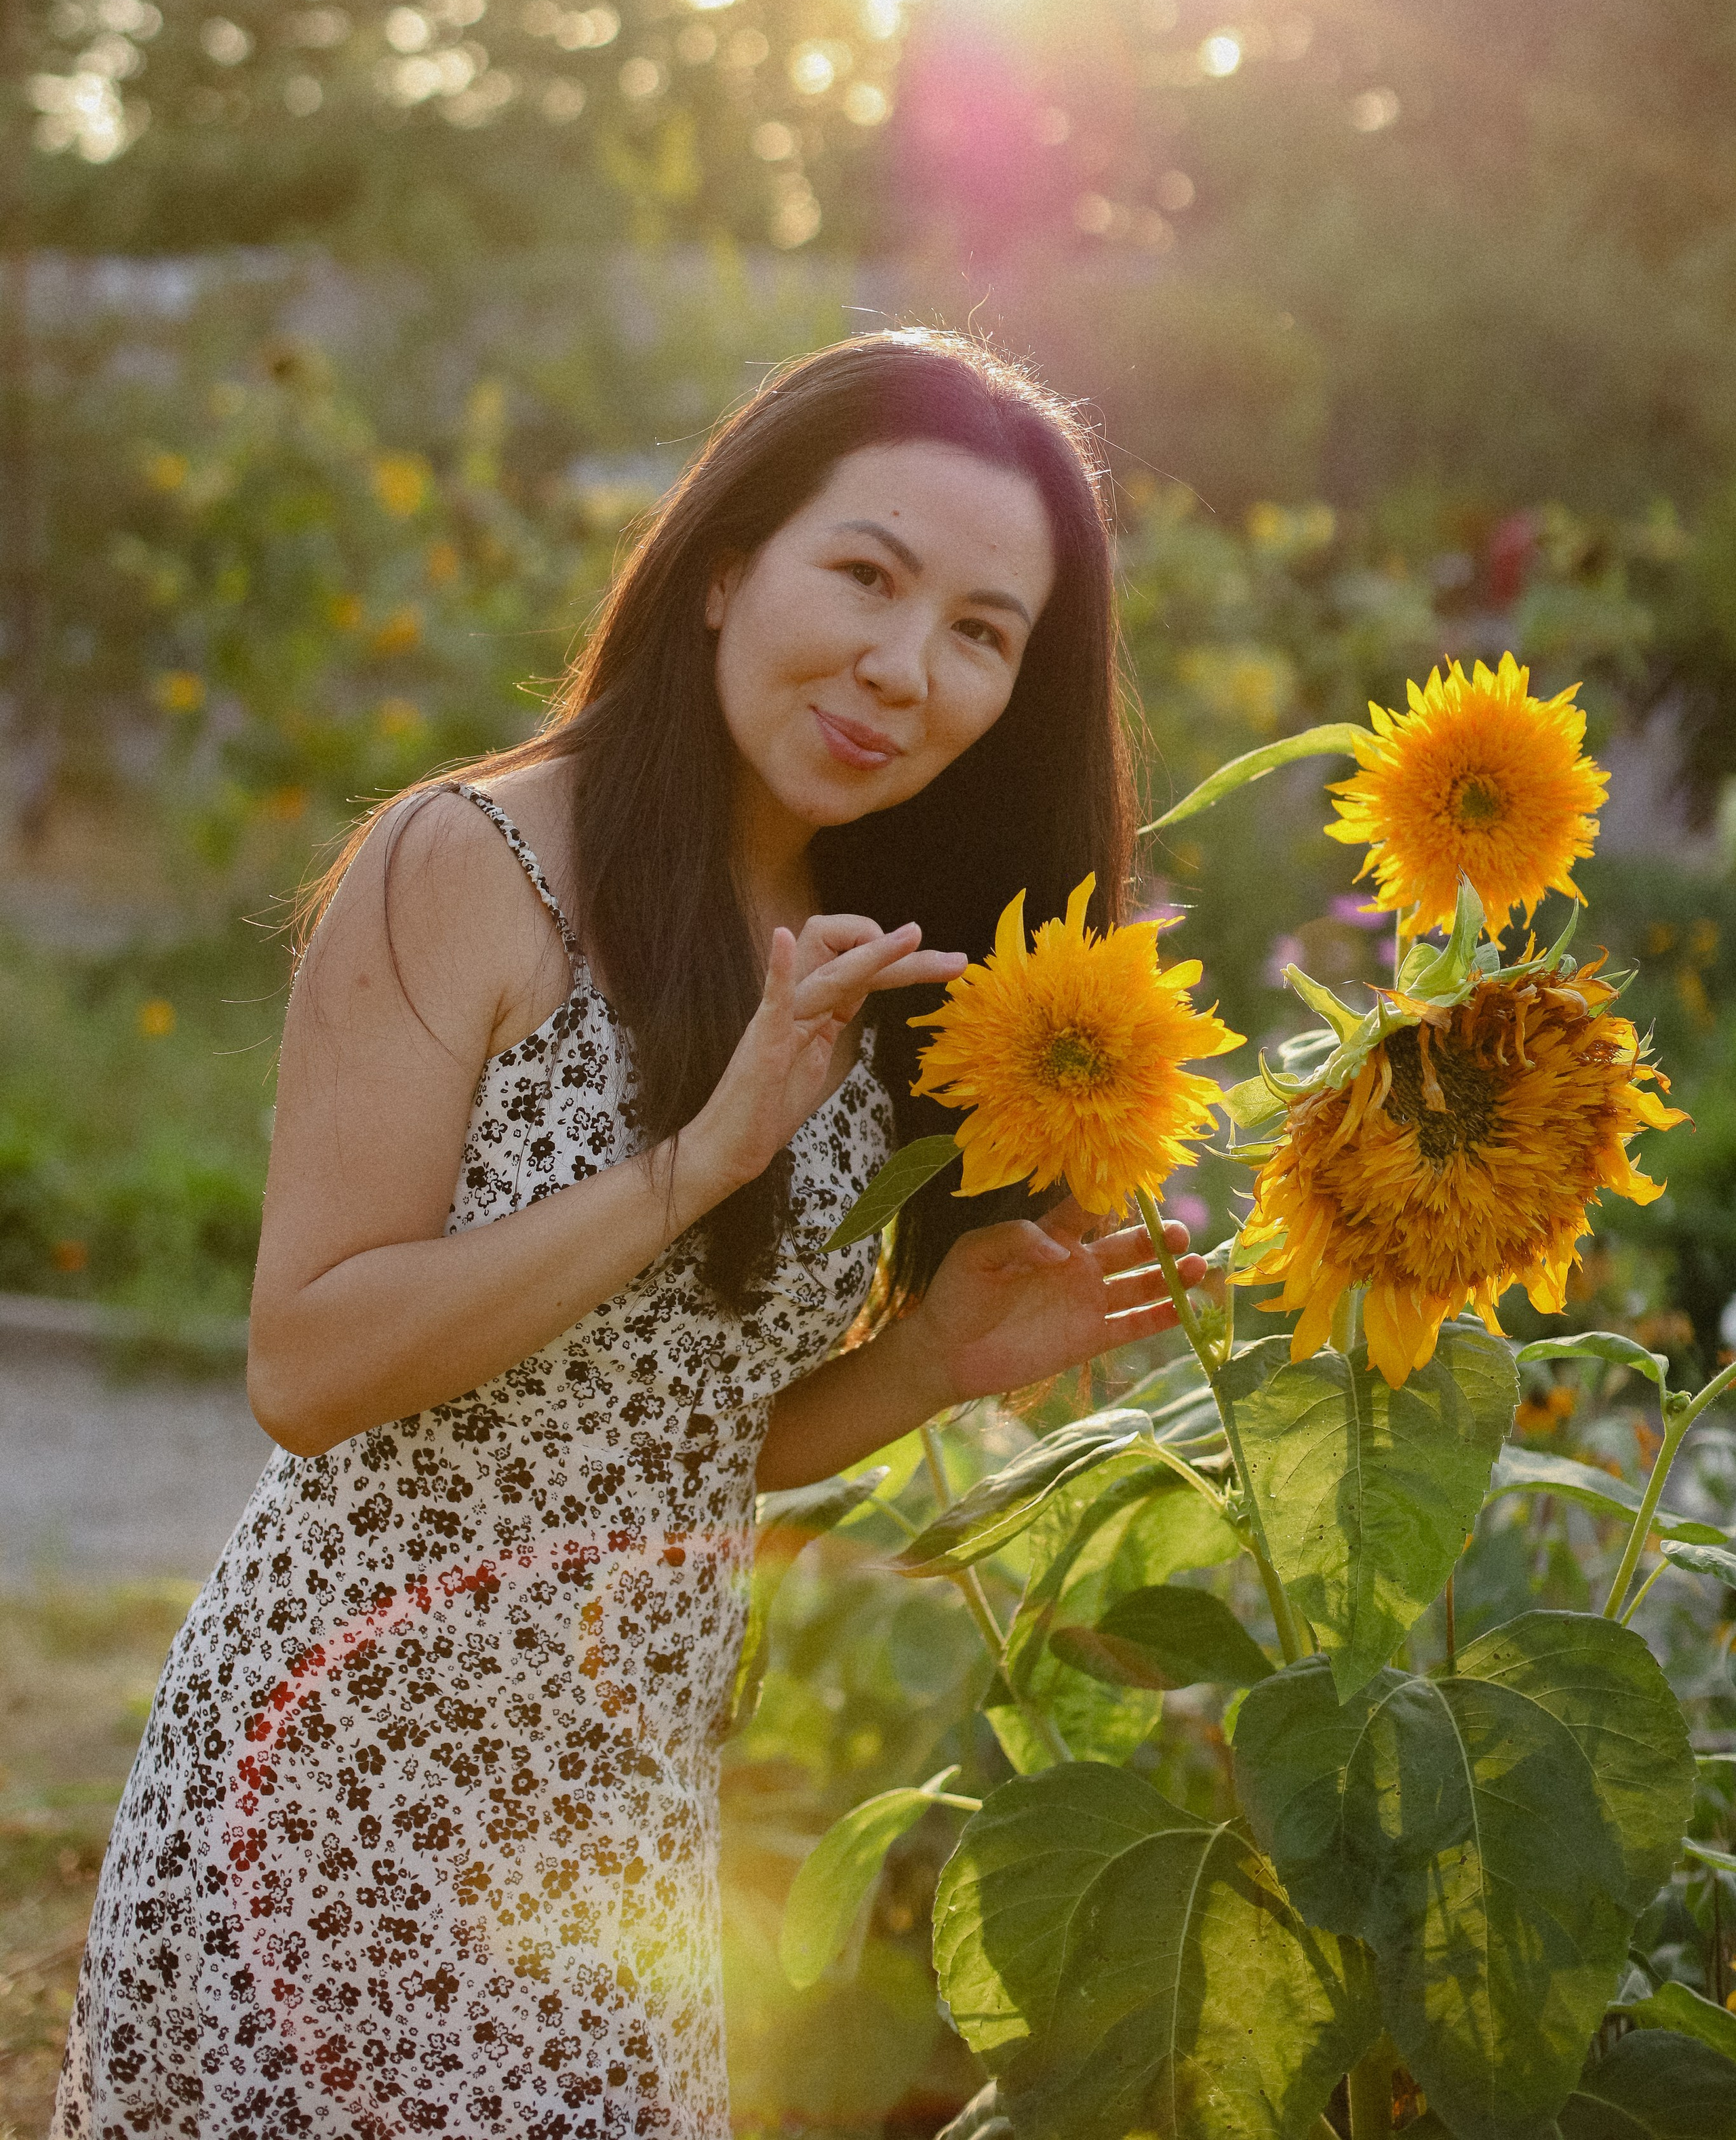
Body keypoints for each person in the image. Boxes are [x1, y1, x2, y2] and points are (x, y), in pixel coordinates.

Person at [54, 329, 1206, 2139]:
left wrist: (925, 1364)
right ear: (730, 561)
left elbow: (664, 1449)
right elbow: (309, 1363)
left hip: (606, 1858)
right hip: (337, 1804)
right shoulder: (471, 866)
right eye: (869, 575)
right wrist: (699, 1158)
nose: (909, 669)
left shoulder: (863, 958)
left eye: (984, 632)